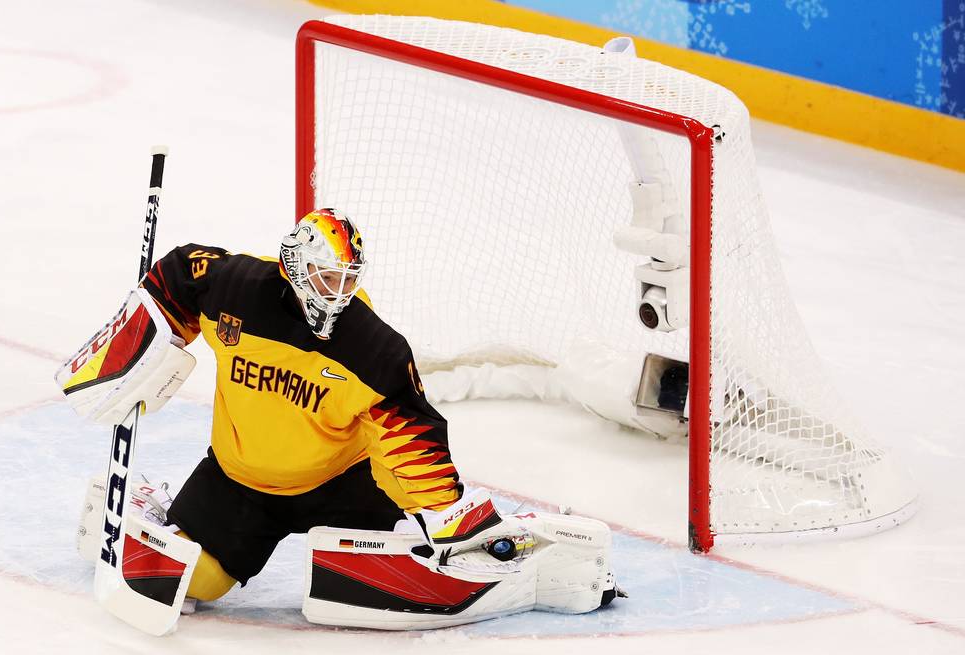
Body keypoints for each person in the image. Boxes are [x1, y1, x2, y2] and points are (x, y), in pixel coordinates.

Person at [62, 208, 619, 630]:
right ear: (296, 267)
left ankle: (508, 537)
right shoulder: (239, 290)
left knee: (367, 590)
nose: (340, 291)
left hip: (342, 480)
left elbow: (409, 432)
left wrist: (443, 514)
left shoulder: (369, 345)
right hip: (240, 481)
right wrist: (146, 332)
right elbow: (182, 273)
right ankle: (152, 506)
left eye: (348, 277)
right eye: (329, 277)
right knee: (193, 585)